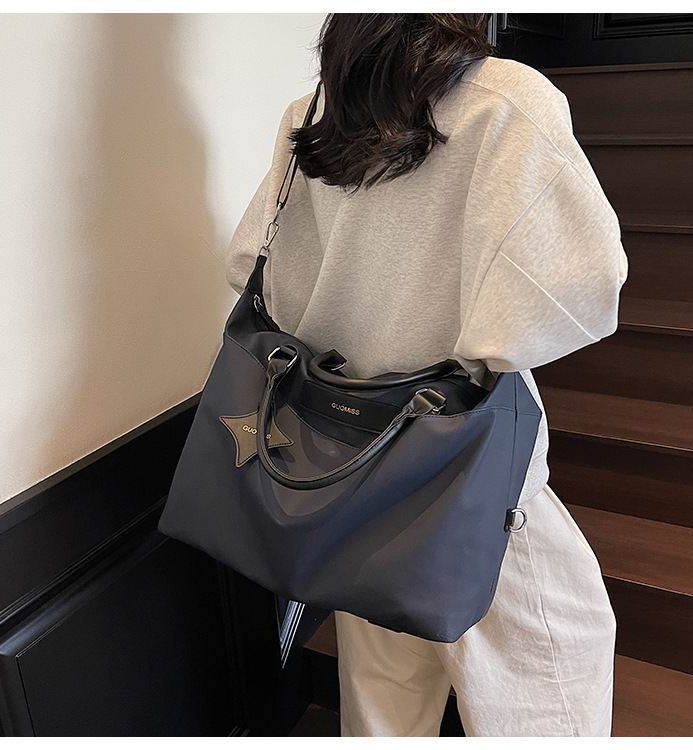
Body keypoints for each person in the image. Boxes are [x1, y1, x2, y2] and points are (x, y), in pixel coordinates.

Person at [225, 13, 628, 737]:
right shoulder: (507, 99)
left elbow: (254, 270)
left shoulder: (315, 112)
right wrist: (468, 335)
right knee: (553, 677)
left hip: (341, 458)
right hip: (465, 461)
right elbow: (580, 286)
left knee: (384, 684)